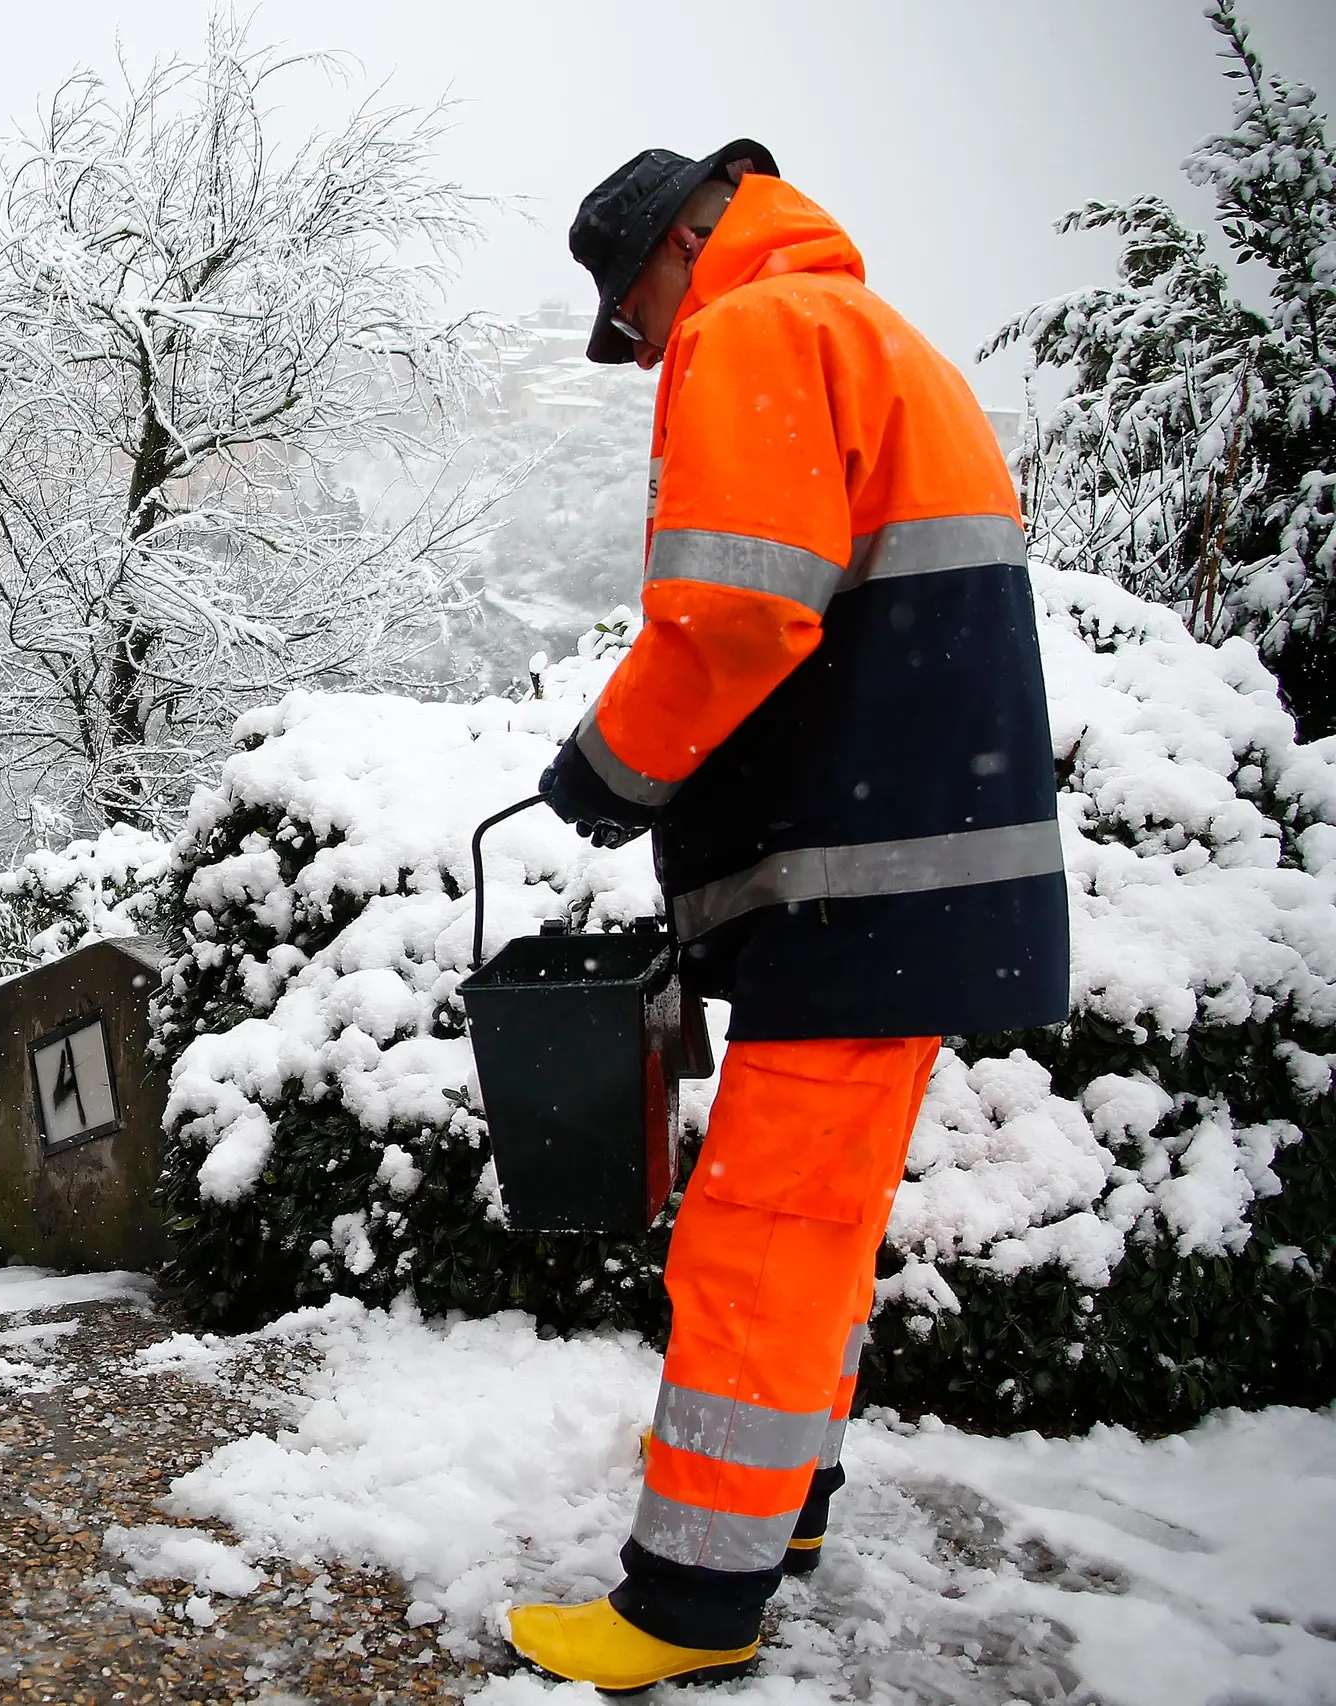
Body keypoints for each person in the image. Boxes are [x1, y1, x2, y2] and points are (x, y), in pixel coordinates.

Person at [508, 141, 1069, 1689]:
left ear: (685, 249)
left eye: (633, 323)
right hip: (909, 866)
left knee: (756, 1238)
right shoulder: (884, 343)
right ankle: (786, 1510)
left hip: (861, 878)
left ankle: (688, 1602)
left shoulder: (758, 332)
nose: (645, 359)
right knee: (811, 1226)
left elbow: (739, 613)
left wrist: (611, 769)